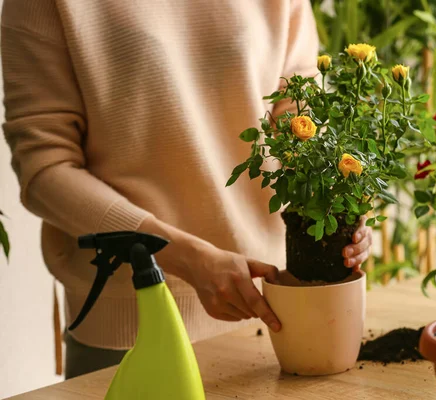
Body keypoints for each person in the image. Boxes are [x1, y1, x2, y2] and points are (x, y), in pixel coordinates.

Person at [1, 0, 372, 378]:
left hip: (276, 312)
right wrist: (189, 258)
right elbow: (46, 170)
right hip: (139, 325)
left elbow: (300, 118)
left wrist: (340, 214)